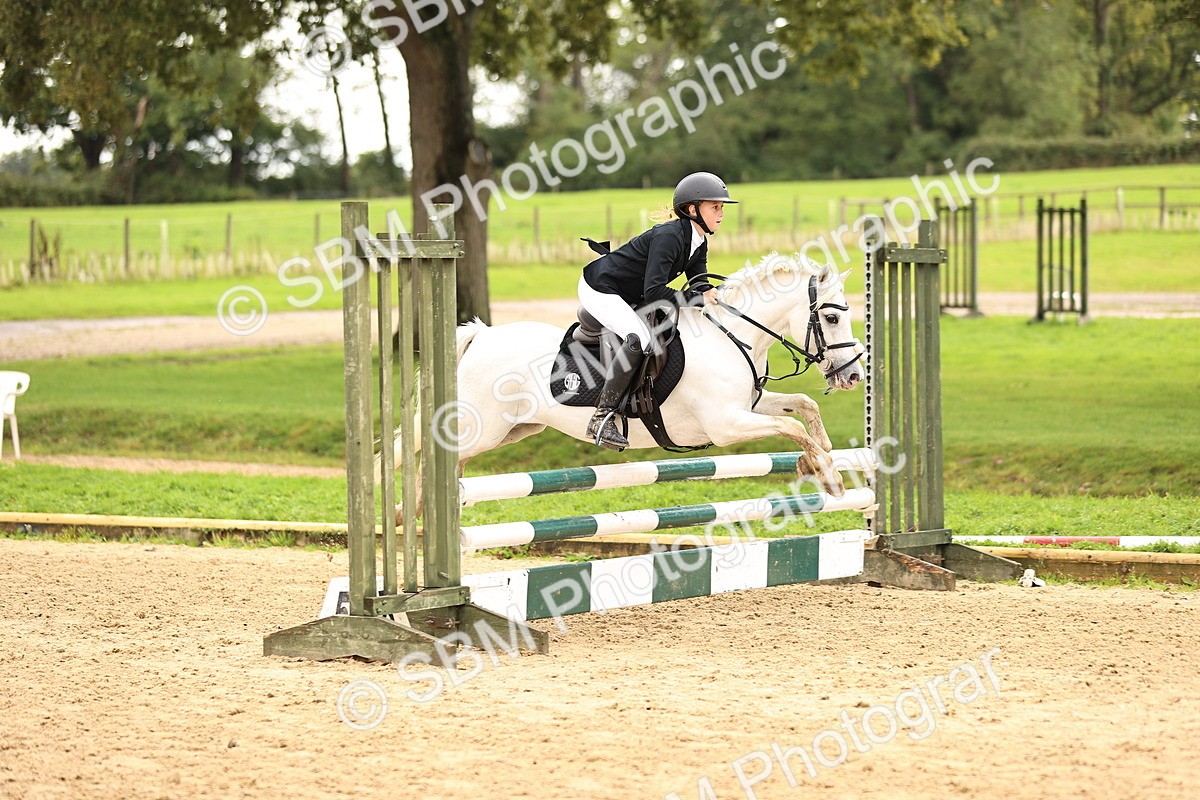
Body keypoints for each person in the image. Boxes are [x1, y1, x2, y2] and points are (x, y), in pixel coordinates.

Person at [577, 171, 736, 450]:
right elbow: (654, 293)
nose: (721, 213)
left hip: (627, 292)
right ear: (692, 209)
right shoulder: (669, 237)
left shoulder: (698, 241)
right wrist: (698, 299)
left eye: (721, 207)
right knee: (639, 338)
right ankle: (602, 416)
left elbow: (699, 283)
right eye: (715, 207)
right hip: (601, 287)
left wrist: (720, 296)